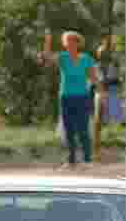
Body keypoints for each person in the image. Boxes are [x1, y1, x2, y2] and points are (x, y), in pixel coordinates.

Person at [40, 30, 102, 168]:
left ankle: (87, 160)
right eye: (67, 41)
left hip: (82, 97)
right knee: (69, 130)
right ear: (64, 44)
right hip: (66, 97)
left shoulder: (86, 58)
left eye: (73, 41)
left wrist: (101, 91)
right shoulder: (63, 57)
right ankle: (71, 160)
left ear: (78, 43)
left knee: (83, 129)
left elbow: (93, 77)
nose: (70, 43)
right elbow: (47, 57)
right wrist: (48, 40)